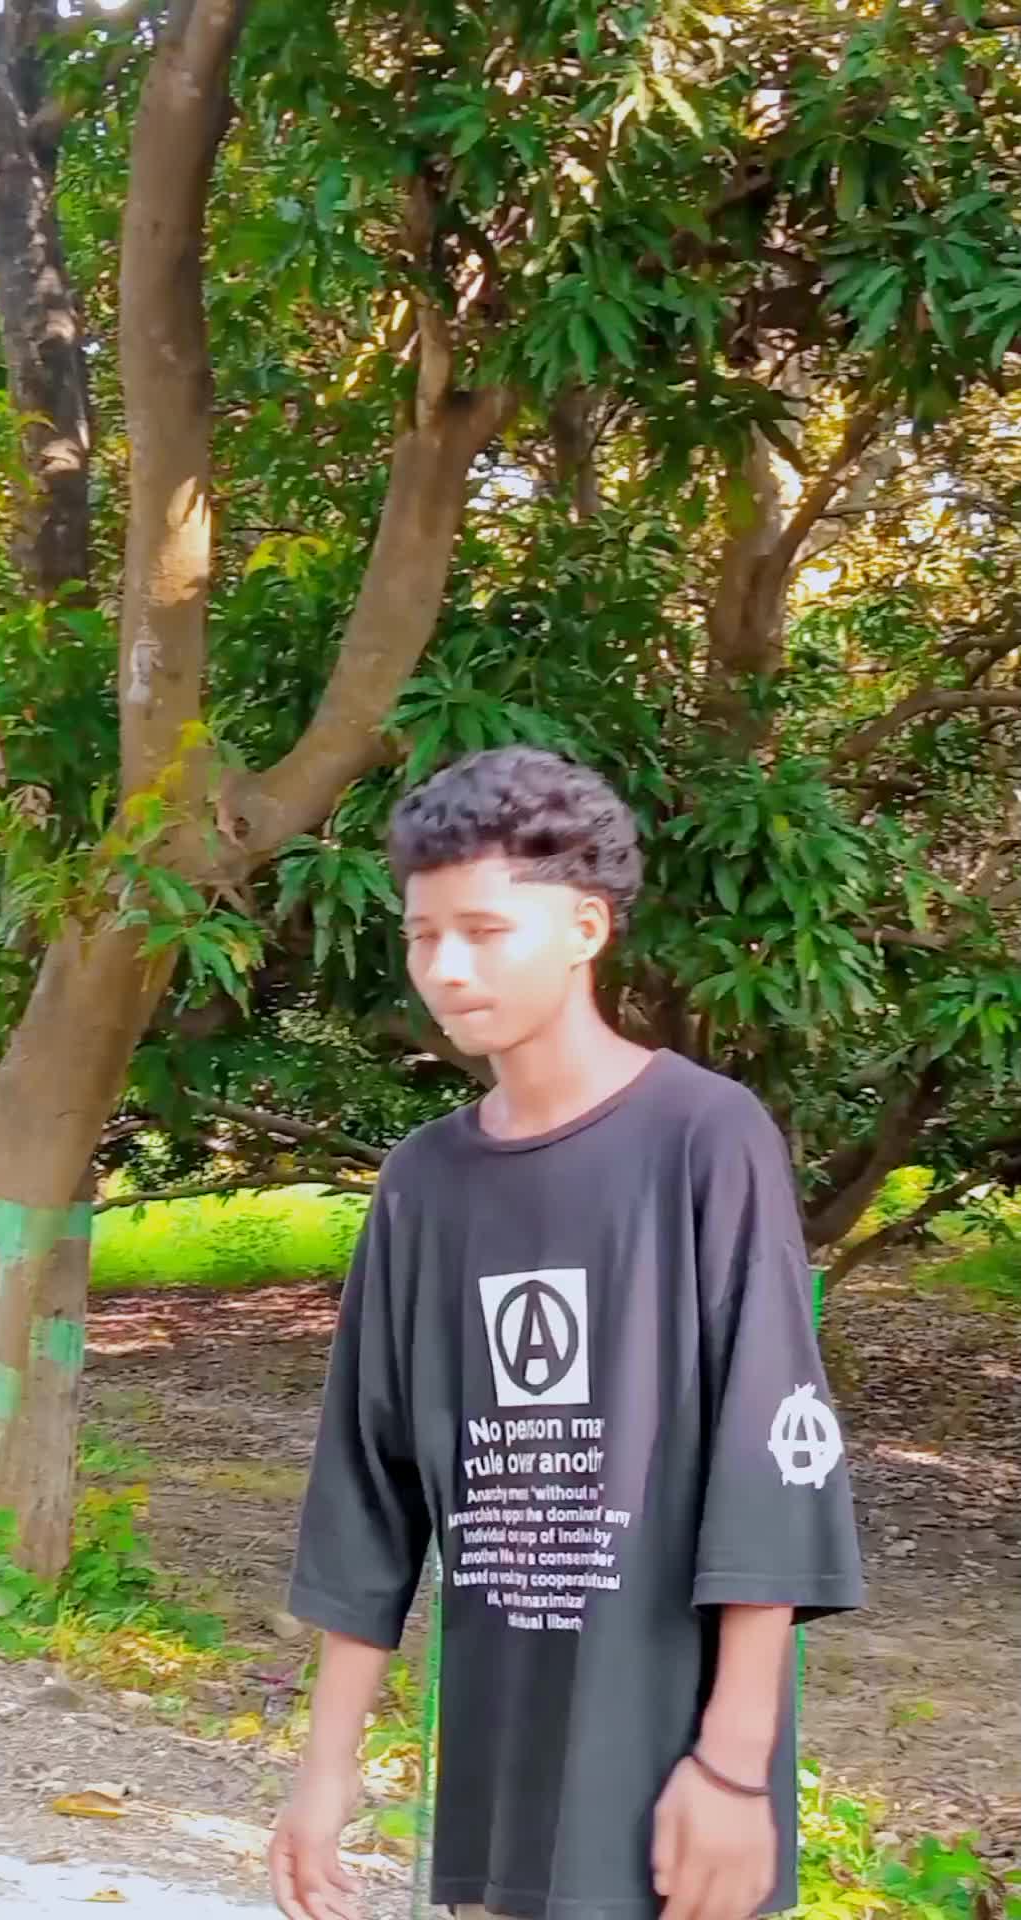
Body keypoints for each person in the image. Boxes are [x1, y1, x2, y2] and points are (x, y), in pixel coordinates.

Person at [270, 746, 864, 1920]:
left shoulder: (705, 1137)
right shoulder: (424, 1184)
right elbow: (368, 1490)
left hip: (672, 1773)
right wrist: (324, 1772)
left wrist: (733, 1767)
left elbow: (772, 1461)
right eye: (422, 935)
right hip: (499, 1766)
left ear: (587, 927)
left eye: (485, 931)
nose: (446, 967)